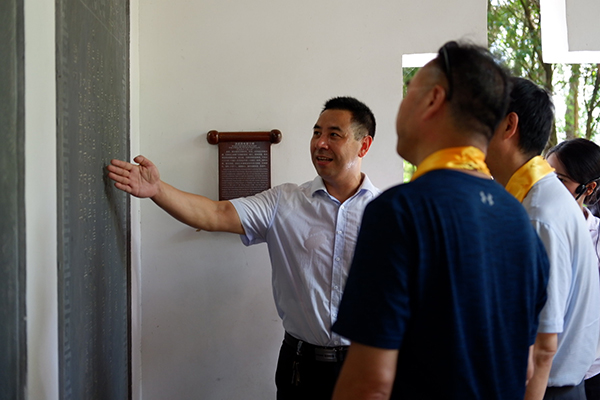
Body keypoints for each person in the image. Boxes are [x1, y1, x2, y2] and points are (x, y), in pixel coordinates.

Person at [107, 96, 380, 400]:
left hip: (366, 365)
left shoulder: (388, 213)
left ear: (363, 145)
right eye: (317, 132)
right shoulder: (284, 201)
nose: (320, 143)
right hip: (300, 367)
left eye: (334, 134)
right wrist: (157, 190)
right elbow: (216, 214)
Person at [331, 41, 550, 400]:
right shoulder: (519, 218)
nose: (401, 106)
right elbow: (524, 367)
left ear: (433, 99)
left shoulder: (401, 212)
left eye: (409, 93)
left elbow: (369, 385)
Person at [486, 78, 600, 400]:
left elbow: (543, 345)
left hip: (544, 390)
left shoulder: (539, 213)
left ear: (509, 126)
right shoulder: (537, 198)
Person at [546, 138, 600, 400]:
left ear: (588, 188)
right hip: (548, 370)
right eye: (545, 177)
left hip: (592, 372)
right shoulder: (539, 228)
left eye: (560, 180)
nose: (548, 187)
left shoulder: (597, 237)